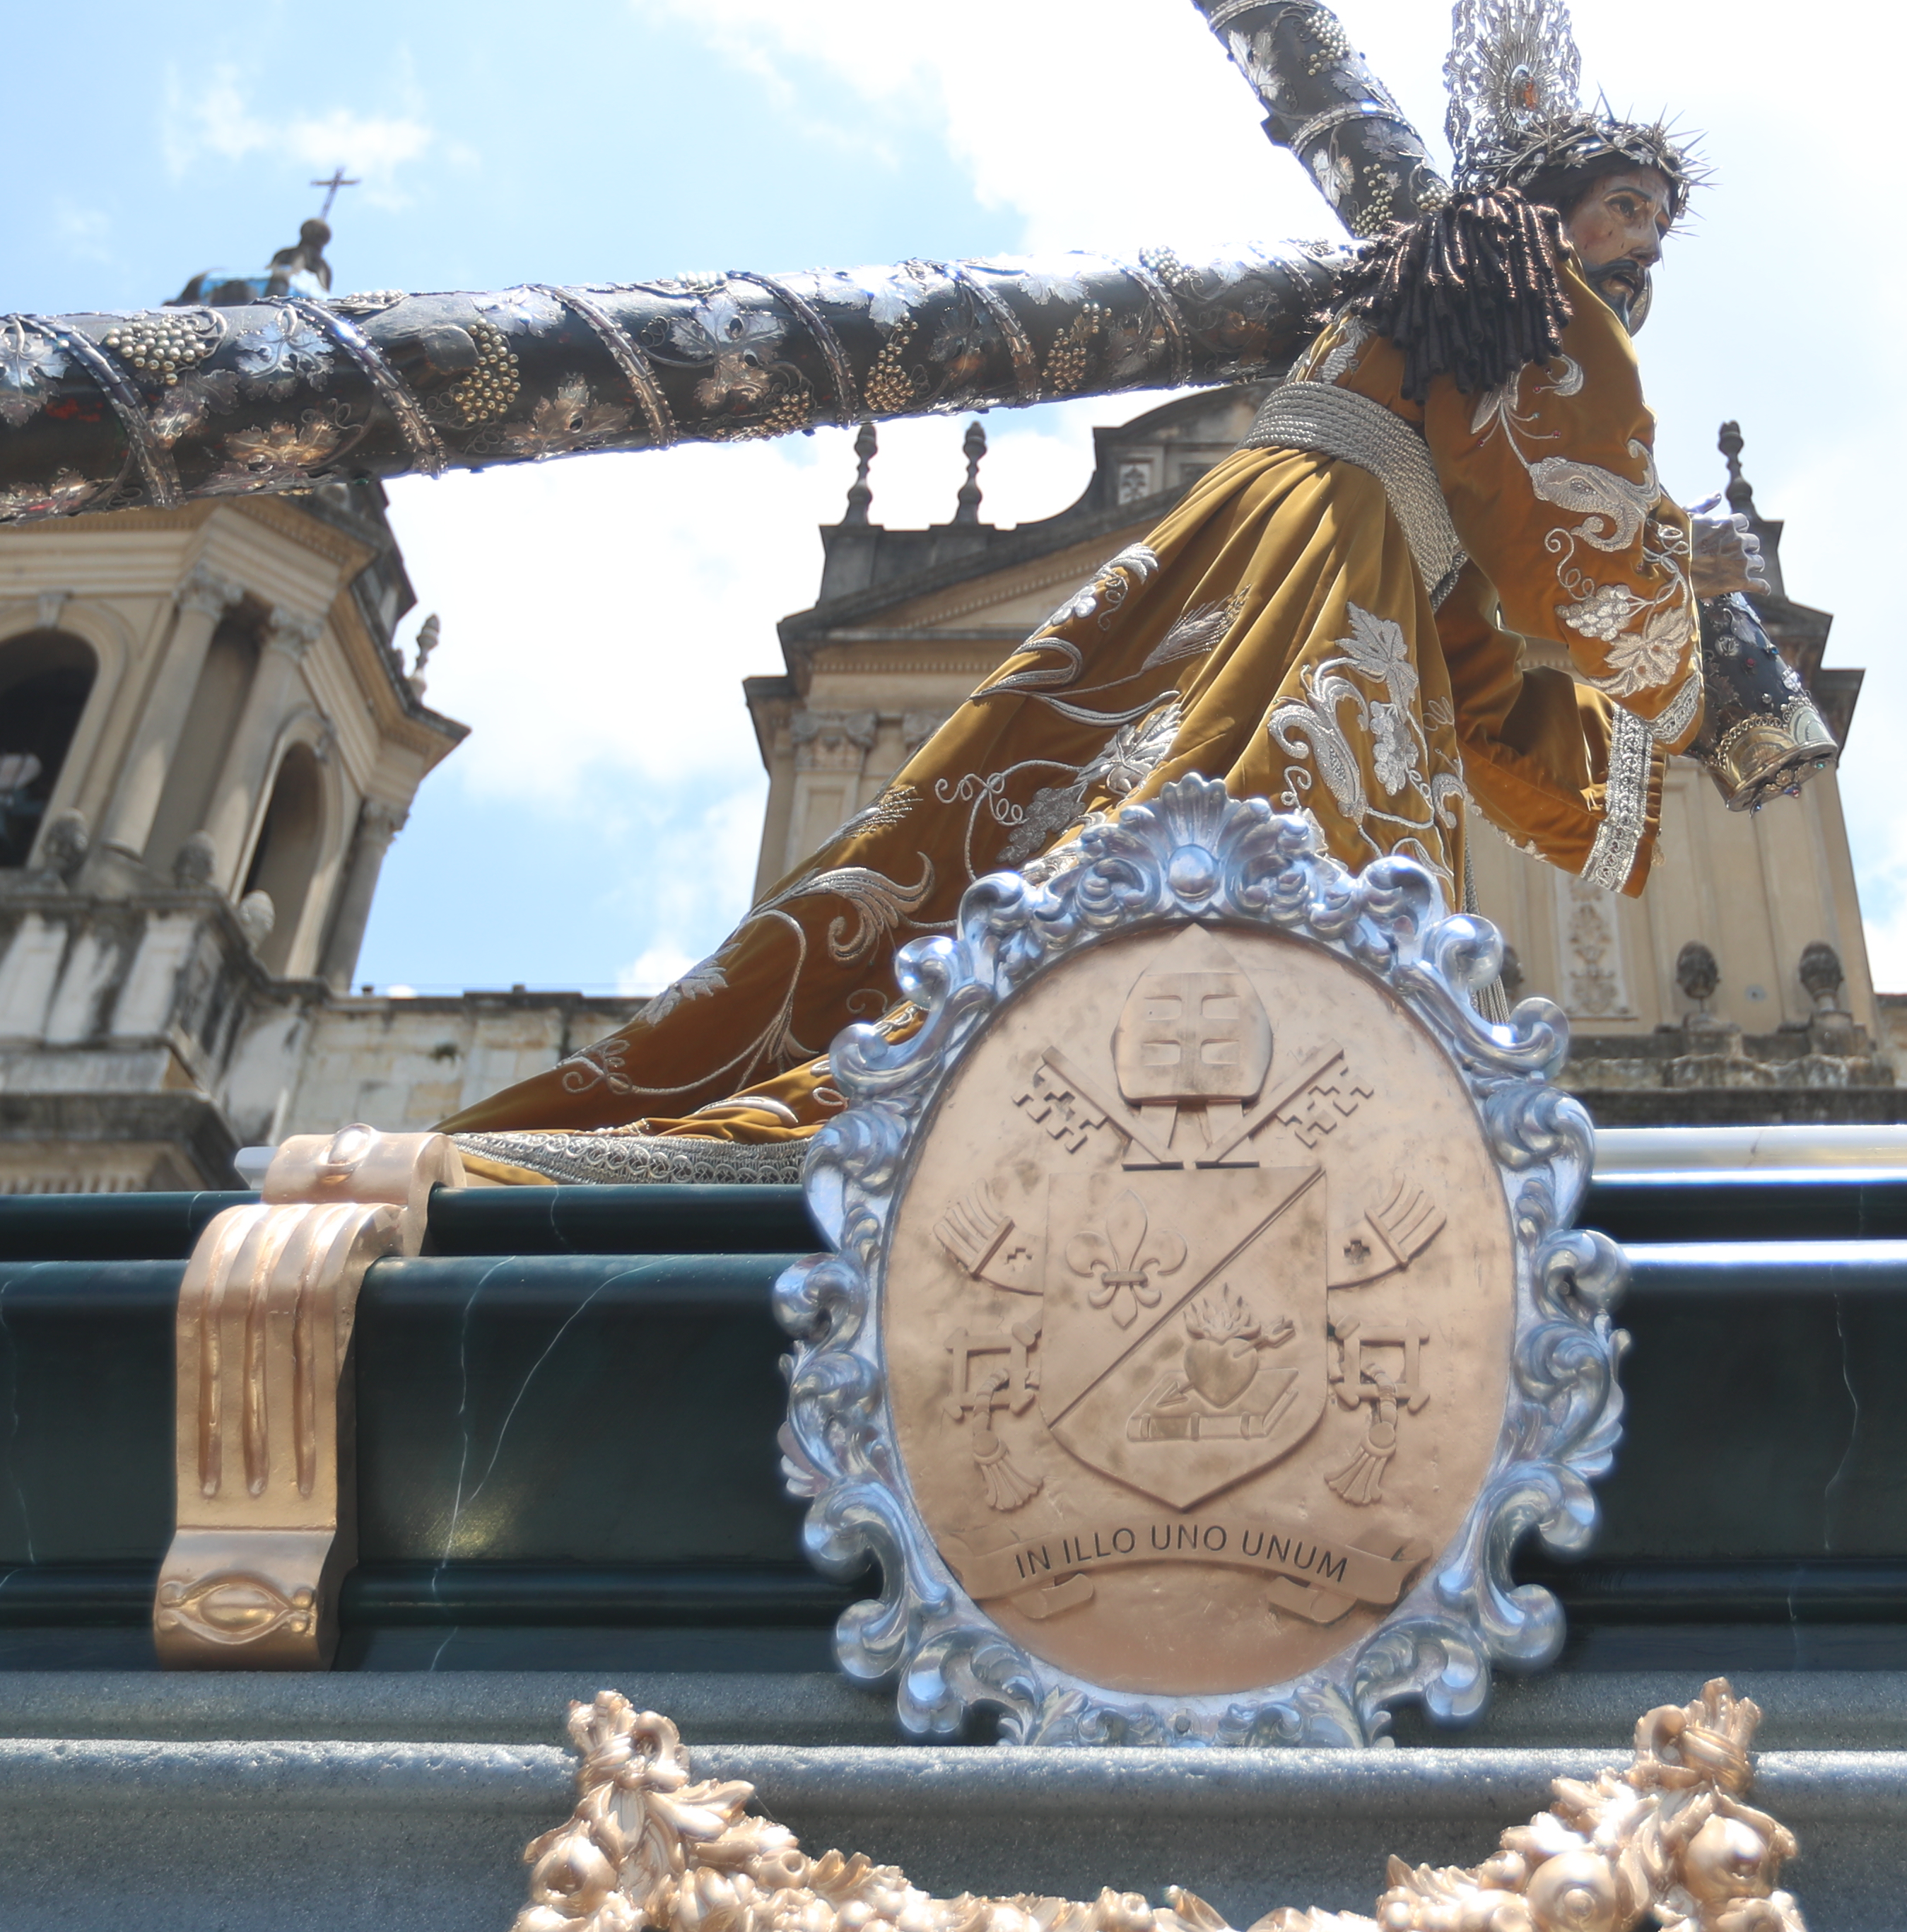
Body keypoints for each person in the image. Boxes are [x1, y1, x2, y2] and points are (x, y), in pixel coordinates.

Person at [444, 91, 1750, 1163]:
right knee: (1268, 825)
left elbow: (1475, 657)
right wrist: (1699, 626)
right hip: (1332, 566)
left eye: (1656, 220)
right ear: (1551, 206)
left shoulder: (1433, 297)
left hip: (1254, 543)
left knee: (1054, 781)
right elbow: (1574, 520)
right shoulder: (1536, 298)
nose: (1642, 245)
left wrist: (1617, 751)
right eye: (1626, 207)